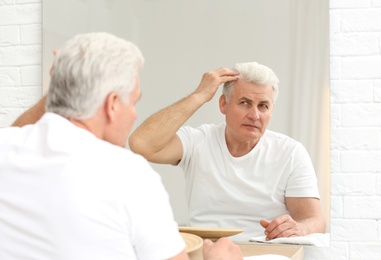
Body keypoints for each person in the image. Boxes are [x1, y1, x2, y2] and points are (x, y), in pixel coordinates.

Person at [0, 32, 243, 260]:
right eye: (133, 102)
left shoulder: (7, 147)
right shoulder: (128, 173)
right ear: (113, 104)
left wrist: (62, 85)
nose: (135, 115)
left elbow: (17, 132)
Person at [128, 63, 326, 241]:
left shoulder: (290, 152)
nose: (254, 115)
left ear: (271, 111)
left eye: (263, 106)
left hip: (263, 252)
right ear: (223, 104)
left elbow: (314, 220)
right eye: (245, 103)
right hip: (204, 250)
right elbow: (141, 144)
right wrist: (198, 96)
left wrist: (300, 228)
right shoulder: (199, 141)